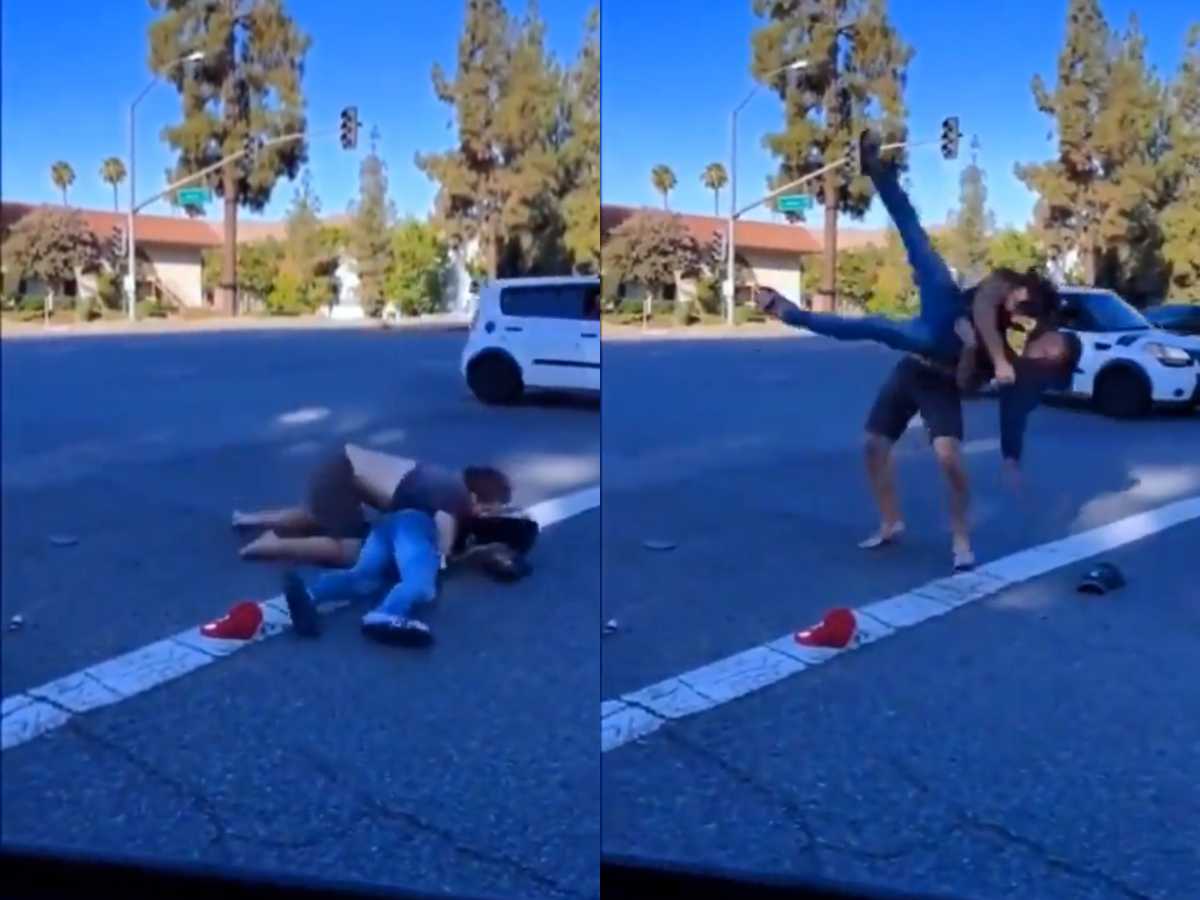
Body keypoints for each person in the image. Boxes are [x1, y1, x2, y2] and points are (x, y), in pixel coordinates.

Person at [232, 443, 513, 567]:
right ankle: (270, 545)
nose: (485, 516)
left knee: (321, 515)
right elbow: (439, 554)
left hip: (337, 464)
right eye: (489, 510)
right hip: (341, 477)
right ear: (475, 497)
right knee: (354, 550)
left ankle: (249, 519)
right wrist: (473, 553)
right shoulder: (454, 502)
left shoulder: (444, 479)